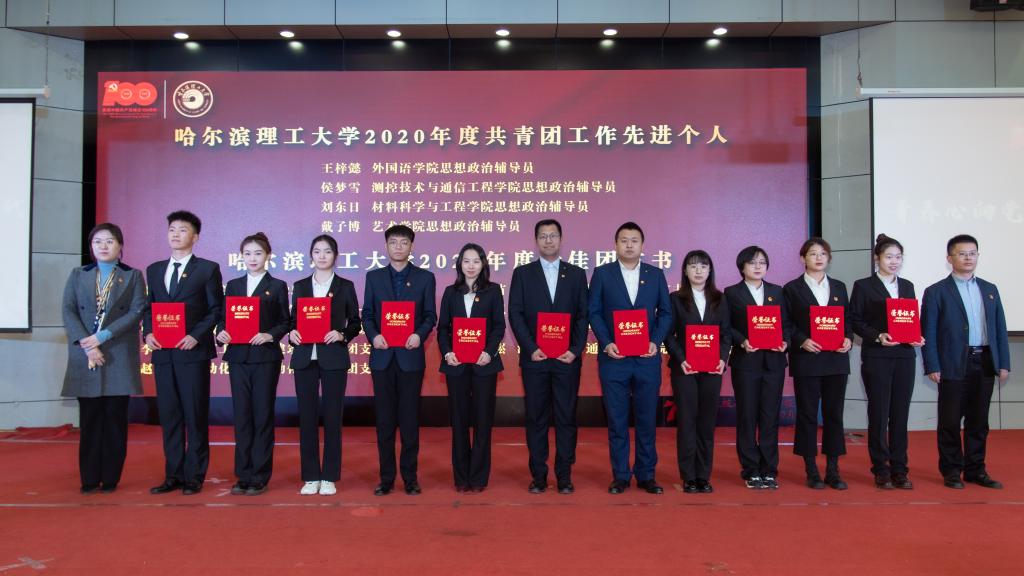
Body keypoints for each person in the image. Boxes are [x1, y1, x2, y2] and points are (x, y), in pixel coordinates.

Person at [61, 223, 146, 494]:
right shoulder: (78, 274)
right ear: (91, 246)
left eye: (109, 241)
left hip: (117, 353)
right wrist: (88, 344)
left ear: (120, 246)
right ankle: (89, 478)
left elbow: (136, 311)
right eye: (98, 241)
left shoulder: (132, 275)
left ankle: (110, 478)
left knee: (114, 421)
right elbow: (68, 310)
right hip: (86, 354)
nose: (103, 246)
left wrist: (103, 336)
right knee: (89, 422)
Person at [588, 222, 672, 495]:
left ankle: (647, 475)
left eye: (634, 240)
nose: (629, 245)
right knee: (617, 420)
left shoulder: (655, 274)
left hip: (646, 359)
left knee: (647, 420)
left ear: (642, 245)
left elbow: (666, 313)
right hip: (615, 359)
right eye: (624, 240)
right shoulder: (602, 274)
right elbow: (594, 312)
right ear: (615, 244)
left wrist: (655, 341)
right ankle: (621, 475)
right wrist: (607, 342)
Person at [144, 211, 223, 496]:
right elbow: (149, 308)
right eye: (172, 230)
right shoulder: (154, 270)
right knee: (170, 416)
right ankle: (173, 475)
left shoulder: (207, 269)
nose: (176, 234)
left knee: (194, 414)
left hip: (192, 352)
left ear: (195, 237)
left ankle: (194, 476)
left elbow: (215, 309)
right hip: (163, 354)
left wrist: (195, 335)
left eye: (183, 230)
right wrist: (148, 332)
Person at [922, 234, 1010, 490]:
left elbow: (999, 328)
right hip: (952, 363)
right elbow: (929, 331)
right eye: (962, 254)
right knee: (950, 421)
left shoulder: (990, 289)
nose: (968, 258)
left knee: (979, 421)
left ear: (978, 256)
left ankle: (975, 470)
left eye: (972, 253)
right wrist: (932, 365)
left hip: (984, 361)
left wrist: (1003, 362)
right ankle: (951, 470)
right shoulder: (936, 292)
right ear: (950, 258)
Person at [508, 219, 589, 494]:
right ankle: (539, 475)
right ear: (536, 241)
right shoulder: (523, 273)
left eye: (553, 235)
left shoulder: (576, 274)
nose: (548, 240)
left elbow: (583, 315)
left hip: (567, 360)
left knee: (566, 417)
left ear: (561, 239)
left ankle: (564, 475)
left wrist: (575, 349)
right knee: (536, 418)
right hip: (536, 359)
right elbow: (515, 314)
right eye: (543, 236)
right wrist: (531, 347)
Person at [362, 225, 437, 496]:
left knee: (409, 421)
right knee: (384, 422)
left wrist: (419, 335)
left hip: (410, 357)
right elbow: (367, 314)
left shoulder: (425, 278)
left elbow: (430, 316)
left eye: (404, 242)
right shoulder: (374, 277)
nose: (398, 247)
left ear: (411, 246)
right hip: (382, 357)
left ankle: (410, 478)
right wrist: (374, 336)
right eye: (393, 242)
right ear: (386, 246)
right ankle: (386, 479)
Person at [215, 233, 290, 496]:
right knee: (242, 416)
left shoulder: (277, 286)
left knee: (262, 415)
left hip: (265, 358)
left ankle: (260, 475)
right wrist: (221, 332)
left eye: (258, 253)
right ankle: (243, 474)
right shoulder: (234, 285)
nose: (253, 258)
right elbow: (223, 319)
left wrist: (270, 335)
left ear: (268, 255)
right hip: (238, 357)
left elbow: (285, 321)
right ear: (241, 256)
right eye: (247, 253)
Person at [848, 234, 923, 490]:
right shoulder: (863, 286)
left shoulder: (908, 286)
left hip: (904, 356)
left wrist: (917, 335)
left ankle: (900, 469)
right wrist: (878, 336)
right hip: (877, 356)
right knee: (879, 413)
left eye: (898, 257)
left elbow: (911, 319)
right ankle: (881, 468)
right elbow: (855, 320)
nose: (894, 261)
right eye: (889, 256)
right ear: (877, 259)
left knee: (900, 414)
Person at [288, 235, 361, 496]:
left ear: (335, 256)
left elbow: (355, 322)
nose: (322, 256)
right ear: (311, 255)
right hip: (305, 358)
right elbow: (293, 321)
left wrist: (342, 334)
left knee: (332, 417)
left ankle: (329, 476)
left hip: (333, 358)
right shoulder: (300, 286)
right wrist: (292, 333)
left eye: (327, 251)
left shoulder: (345, 286)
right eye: (317, 251)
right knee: (307, 418)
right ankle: (310, 476)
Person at [783, 237, 853, 490]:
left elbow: (847, 319)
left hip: (836, 360)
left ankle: (833, 470)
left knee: (834, 414)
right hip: (807, 360)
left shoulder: (839, 287)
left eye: (823, 253)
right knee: (808, 414)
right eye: (813, 253)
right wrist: (802, 341)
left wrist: (848, 338)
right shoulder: (792, 289)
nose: (819, 258)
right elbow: (786, 323)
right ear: (803, 258)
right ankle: (811, 469)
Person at [437, 243, 506, 493]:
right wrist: (448, 352)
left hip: (483, 365)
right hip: (456, 365)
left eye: (476, 261)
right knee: (459, 421)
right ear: (459, 264)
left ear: (483, 264)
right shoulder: (450, 292)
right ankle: (461, 477)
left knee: (483, 421)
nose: (471, 266)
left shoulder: (493, 291)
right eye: (466, 261)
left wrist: (489, 352)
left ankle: (478, 477)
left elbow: (498, 326)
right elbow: (443, 328)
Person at [665, 250, 732, 494]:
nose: (698, 270)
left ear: (710, 270)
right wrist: (681, 359)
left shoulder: (720, 299)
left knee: (706, 422)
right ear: (685, 270)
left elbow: (726, 334)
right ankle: (688, 476)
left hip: (712, 369)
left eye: (703, 266)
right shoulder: (675, 299)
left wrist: (723, 359)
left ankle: (703, 475)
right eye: (693, 266)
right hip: (685, 369)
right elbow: (668, 335)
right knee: (687, 421)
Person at [723, 246, 789, 490]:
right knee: (748, 416)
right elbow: (726, 326)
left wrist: (786, 341)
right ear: (742, 267)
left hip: (774, 362)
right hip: (746, 362)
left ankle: (769, 470)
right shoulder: (732, 293)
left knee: (770, 416)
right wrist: (742, 341)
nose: (758, 266)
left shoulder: (777, 292)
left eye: (762, 262)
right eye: (752, 262)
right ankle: (750, 469)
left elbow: (787, 324)